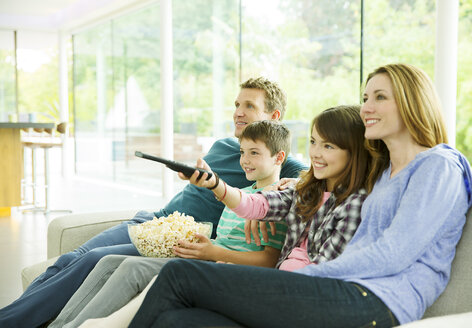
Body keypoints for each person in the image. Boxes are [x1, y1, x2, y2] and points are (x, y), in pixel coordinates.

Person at [128, 63, 472, 328]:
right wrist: (291, 184)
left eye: (380, 97)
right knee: (178, 322)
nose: (367, 106)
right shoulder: (383, 173)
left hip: (374, 300)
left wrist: (302, 277)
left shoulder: (438, 165)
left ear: (412, 101)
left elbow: (393, 254)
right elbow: (327, 184)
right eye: (366, 97)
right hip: (339, 289)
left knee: (180, 275)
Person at [0, 78, 307, 328]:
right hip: (153, 220)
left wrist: (292, 184)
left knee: (96, 259)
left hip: (176, 239)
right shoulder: (225, 145)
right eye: (237, 104)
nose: (238, 112)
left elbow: (313, 181)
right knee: (73, 258)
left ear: (273, 117)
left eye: (249, 106)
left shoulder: (279, 163)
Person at [55, 104, 371, 328]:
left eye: (328, 146)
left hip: (290, 293)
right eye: (314, 142)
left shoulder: (353, 204)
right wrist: (216, 184)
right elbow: (254, 205)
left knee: (177, 275)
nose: (316, 152)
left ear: (353, 151)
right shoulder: (303, 189)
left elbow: (321, 272)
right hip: (267, 281)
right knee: (172, 318)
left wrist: (221, 262)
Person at [49, 120, 291, 328]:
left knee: (133, 269)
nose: (245, 160)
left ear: (279, 157)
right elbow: (225, 228)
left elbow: (269, 260)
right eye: (242, 152)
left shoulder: (276, 203)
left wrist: (213, 251)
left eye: (254, 153)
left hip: (225, 271)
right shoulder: (240, 195)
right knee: (109, 261)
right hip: (204, 259)